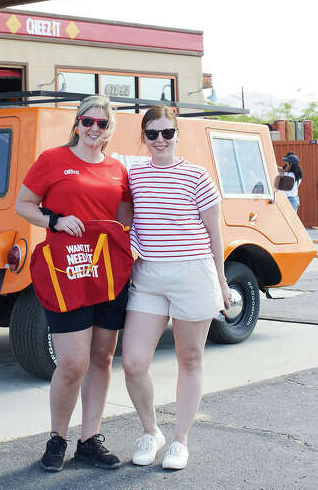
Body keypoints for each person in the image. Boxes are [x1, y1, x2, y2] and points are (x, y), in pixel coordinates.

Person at [14, 95, 132, 472]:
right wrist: (55, 221)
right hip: (67, 272)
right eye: (88, 122)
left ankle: (89, 440)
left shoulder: (118, 169)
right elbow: (24, 204)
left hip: (109, 274)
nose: (95, 129)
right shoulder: (53, 160)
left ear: (111, 128)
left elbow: (128, 216)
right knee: (73, 363)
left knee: (102, 358)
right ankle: (57, 438)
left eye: (103, 123)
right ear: (77, 123)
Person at [119, 105, 230, 471]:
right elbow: (123, 222)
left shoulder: (197, 176)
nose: (160, 140)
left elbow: (215, 233)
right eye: (153, 134)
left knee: (190, 359)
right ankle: (152, 432)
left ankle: (180, 440)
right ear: (144, 137)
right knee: (134, 362)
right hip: (148, 276)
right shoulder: (133, 176)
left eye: (168, 133)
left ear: (178, 135)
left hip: (193, 273)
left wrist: (222, 280)